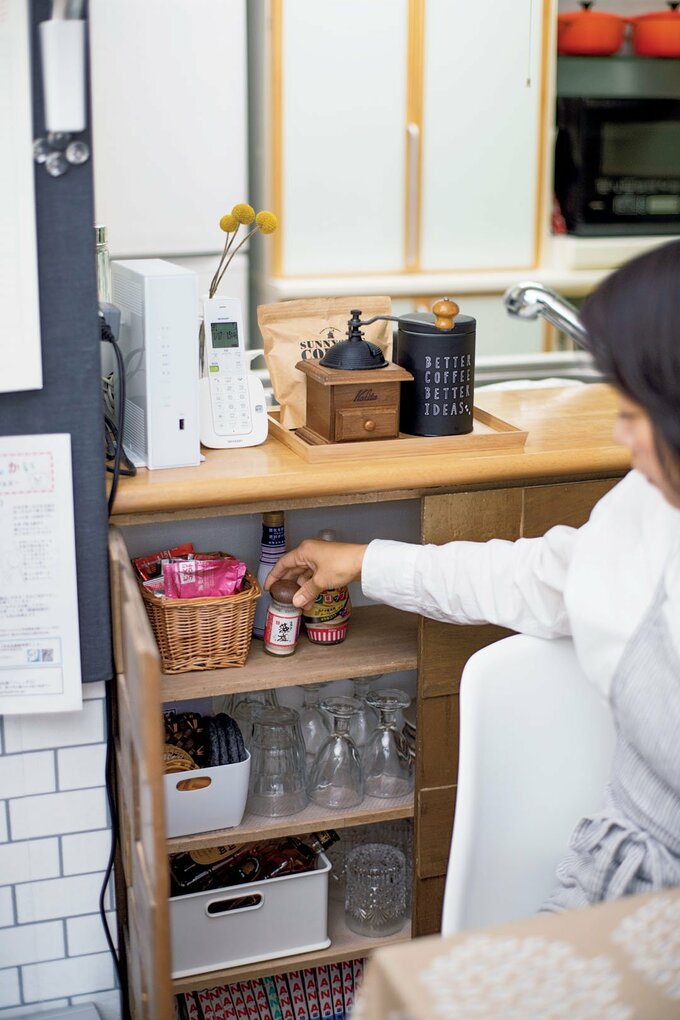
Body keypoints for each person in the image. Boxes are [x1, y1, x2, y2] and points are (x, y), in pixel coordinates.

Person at [265, 238, 680, 912]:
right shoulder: (650, 502)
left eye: (635, 414)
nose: (620, 437)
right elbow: (536, 577)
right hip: (612, 884)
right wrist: (368, 561)